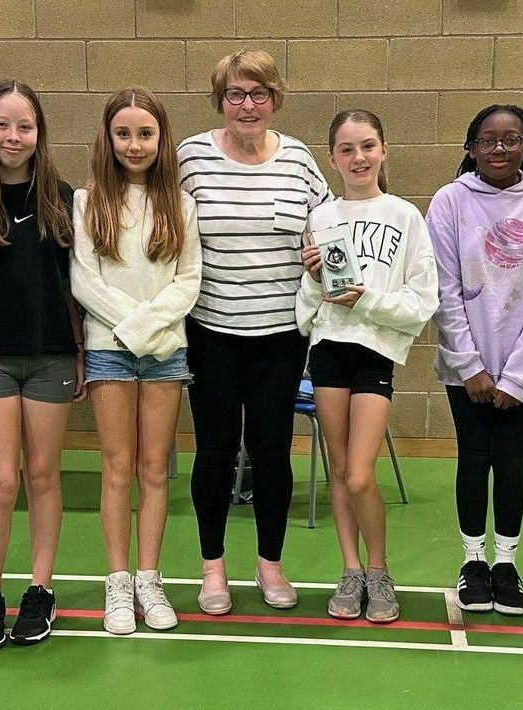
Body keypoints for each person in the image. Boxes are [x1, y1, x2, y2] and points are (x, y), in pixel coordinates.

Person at [178, 49, 331, 615]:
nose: (247, 105)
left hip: (281, 338)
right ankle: (212, 569)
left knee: (271, 452)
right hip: (211, 331)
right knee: (215, 453)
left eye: (258, 93)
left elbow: (328, 226)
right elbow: (160, 224)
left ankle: (270, 562)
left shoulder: (297, 159)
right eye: (236, 94)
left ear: (275, 99)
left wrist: (323, 260)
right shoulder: (190, 156)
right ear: (221, 101)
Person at [0, 79, 85, 652]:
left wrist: (80, 351)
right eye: (2, 125)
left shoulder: (60, 197)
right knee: (0, 482)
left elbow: (74, 287)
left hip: (50, 356)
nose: (13, 136)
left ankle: (40, 589)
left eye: (24, 126)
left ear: (39, 132)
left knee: (42, 475)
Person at [296, 109, 438, 623]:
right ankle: (351, 569)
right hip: (329, 351)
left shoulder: (405, 215)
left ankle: (379, 569)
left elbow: (422, 303)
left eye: (368, 146)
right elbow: (307, 307)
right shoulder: (322, 218)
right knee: (338, 470)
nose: (359, 157)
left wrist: (366, 301)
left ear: (384, 150)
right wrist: (314, 279)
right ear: (332, 158)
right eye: (348, 149)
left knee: (360, 475)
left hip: (375, 354)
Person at [70, 88, 201, 634]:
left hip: (165, 354)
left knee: (154, 470)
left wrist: (147, 331)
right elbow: (84, 280)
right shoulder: (87, 199)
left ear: (161, 138)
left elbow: (188, 280)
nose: (134, 143)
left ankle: (150, 577)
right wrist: (134, 329)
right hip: (109, 352)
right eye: (123, 133)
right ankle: (118, 582)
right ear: (108, 137)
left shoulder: (181, 203)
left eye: (144, 133)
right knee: (118, 468)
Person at [426, 105, 523, 616]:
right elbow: (444, 288)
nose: (499, 148)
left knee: (512, 459)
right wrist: (470, 366)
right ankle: (473, 563)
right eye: (488, 140)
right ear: (471, 147)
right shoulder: (449, 201)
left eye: (511, 139)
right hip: (467, 369)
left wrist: (518, 375)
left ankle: (506, 565)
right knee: (474, 459)